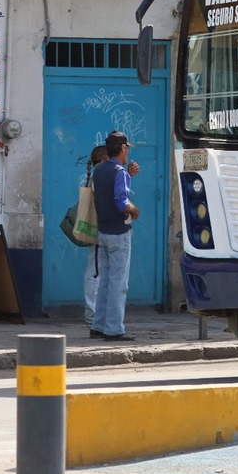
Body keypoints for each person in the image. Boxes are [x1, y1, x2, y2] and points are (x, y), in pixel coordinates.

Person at [90, 131, 141, 342]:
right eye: (126, 148)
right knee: (119, 284)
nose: (127, 151)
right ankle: (114, 329)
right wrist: (134, 210)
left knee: (104, 282)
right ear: (122, 149)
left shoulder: (99, 170)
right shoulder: (118, 171)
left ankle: (98, 326)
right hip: (119, 233)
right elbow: (121, 202)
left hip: (103, 232)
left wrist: (128, 176)